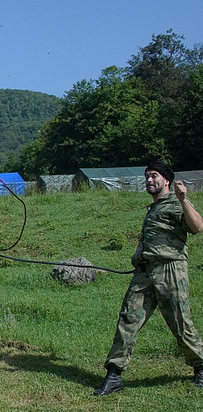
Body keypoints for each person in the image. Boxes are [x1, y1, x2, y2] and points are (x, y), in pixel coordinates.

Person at [94, 160, 203, 396]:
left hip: (170, 271)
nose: (149, 180)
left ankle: (200, 366)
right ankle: (114, 375)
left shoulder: (176, 204)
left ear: (166, 180)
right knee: (127, 321)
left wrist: (184, 199)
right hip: (144, 273)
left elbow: (197, 227)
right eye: (147, 176)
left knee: (180, 323)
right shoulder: (154, 207)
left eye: (154, 176)